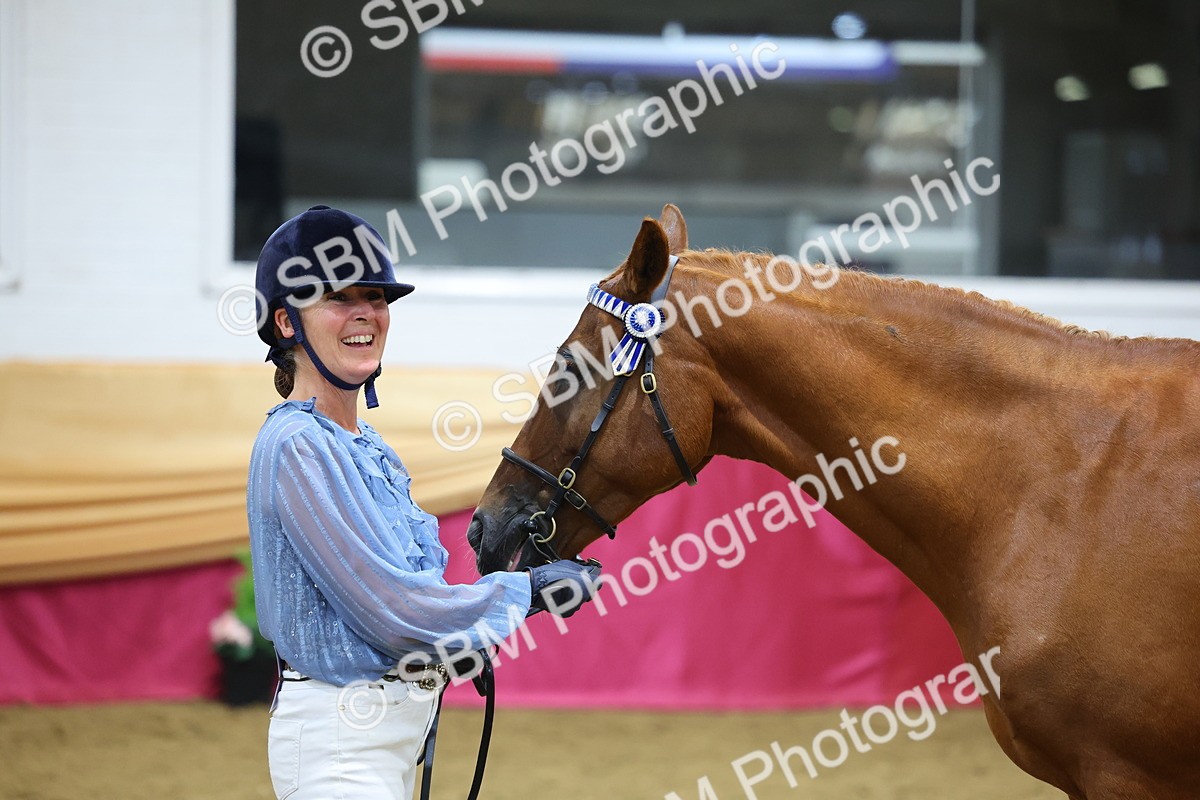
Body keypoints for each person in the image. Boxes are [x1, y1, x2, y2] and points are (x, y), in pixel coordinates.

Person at [246, 205, 600, 800]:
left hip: (385, 741)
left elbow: (404, 609)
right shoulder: (296, 445)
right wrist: (527, 594)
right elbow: (390, 606)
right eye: (340, 298)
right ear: (287, 322)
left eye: (377, 298)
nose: (366, 314)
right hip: (340, 744)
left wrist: (461, 644)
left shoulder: (366, 445)